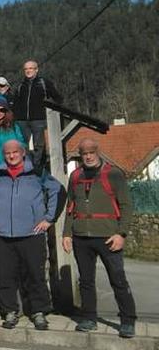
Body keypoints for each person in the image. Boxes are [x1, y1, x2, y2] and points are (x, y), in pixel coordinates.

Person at [0, 140, 61, 331]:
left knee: (35, 274)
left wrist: (49, 219)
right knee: (6, 277)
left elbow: (58, 191)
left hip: (32, 234)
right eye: (8, 153)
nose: (12, 156)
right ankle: (9, 312)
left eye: (15, 152)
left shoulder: (37, 173)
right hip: (4, 235)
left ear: (23, 153)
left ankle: (39, 312)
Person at [62, 139, 136, 338]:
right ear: (80, 154)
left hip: (108, 236)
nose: (88, 156)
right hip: (81, 236)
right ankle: (89, 319)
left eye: (92, 152)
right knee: (86, 281)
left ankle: (128, 321)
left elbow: (127, 206)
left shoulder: (113, 174)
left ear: (98, 152)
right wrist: (66, 234)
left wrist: (121, 233)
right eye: (84, 153)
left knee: (118, 279)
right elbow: (71, 206)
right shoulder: (76, 176)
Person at [13, 60, 62, 171]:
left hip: (39, 119)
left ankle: (38, 167)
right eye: (26, 69)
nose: (28, 71)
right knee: (22, 144)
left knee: (39, 145)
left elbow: (57, 97)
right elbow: (16, 103)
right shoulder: (21, 86)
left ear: (36, 69)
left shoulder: (44, 83)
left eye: (31, 68)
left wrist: (53, 110)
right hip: (22, 120)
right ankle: (26, 166)